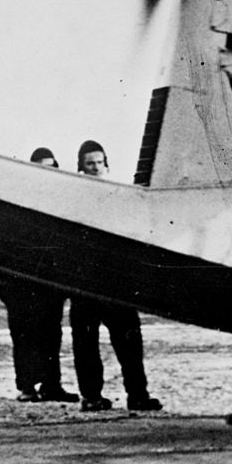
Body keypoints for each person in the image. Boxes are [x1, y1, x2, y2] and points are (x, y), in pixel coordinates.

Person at [68, 140, 162, 413]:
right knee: (86, 346)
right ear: (81, 168)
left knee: (130, 344)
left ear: (106, 164)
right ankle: (92, 397)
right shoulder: (73, 199)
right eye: (90, 164)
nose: (96, 168)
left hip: (117, 285)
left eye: (99, 162)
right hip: (85, 286)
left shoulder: (120, 195)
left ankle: (138, 395)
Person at [0, 147, 80, 403]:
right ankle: (27, 387)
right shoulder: (15, 204)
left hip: (49, 286)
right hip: (20, 286)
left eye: (50, 167)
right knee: (23, 336)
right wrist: (6, 285)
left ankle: (51, 385)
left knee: (51, 336)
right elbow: (1, 248)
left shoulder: (62, 204)